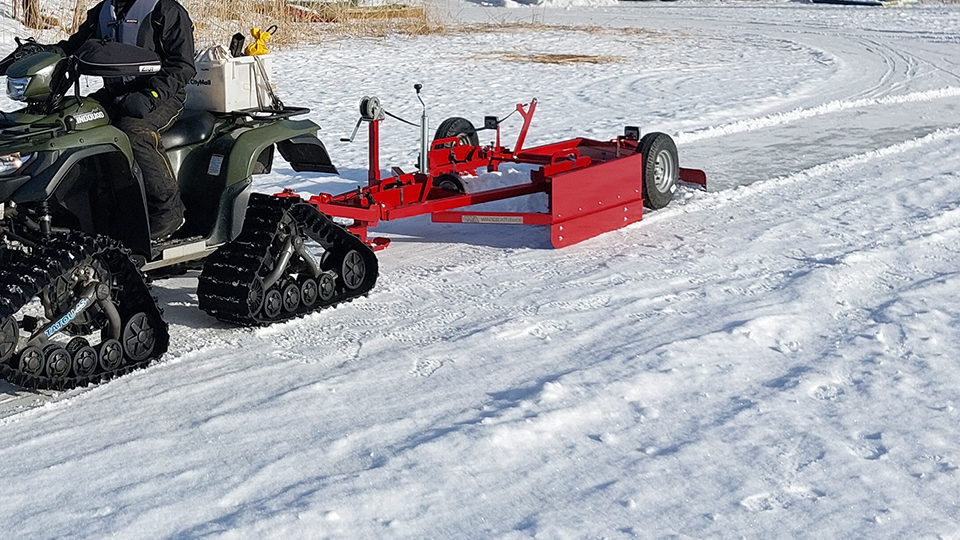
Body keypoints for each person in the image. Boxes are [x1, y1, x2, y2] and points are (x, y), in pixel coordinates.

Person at [56, 0, 196, 242]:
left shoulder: (165, 10)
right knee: (74, 119)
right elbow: (75, 46)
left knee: (133, 130)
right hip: (117, 92)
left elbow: (182, 65)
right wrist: (45, 53)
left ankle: (168, 211)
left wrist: (151, 96)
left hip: (163, 95)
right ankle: (88, 208)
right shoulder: (102, 11)